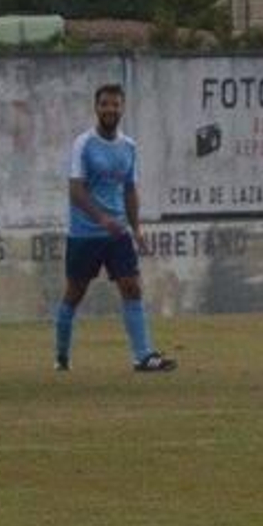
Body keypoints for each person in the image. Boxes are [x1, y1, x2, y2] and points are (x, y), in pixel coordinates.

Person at [53, 83, 176, 373]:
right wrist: (100, 218)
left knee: (132, 287)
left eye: (115, 104)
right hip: (85, 234)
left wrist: (136, 229)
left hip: (117, 233)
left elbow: (130, 190)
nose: (110, 109)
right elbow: (76, 190)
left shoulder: (128, 147)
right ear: (96, 108)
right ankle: (61, 355)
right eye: (105, 104)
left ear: (122, 108)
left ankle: (144, 356)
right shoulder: (83, 144)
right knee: (74, 292)